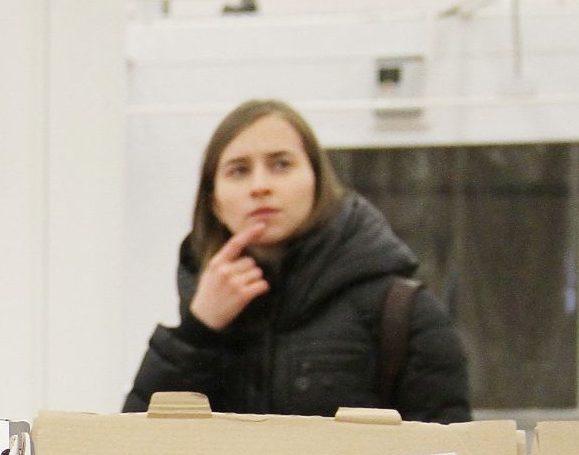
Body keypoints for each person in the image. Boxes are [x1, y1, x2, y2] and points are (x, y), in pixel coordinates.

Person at [124, 99, 470, 423]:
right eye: (238, 170)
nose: (260, 186)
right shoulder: (203, 313)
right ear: (214, 202)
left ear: (318, 183)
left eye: (281, 164)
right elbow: (134, 453)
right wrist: (198, 331)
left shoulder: (401, 312)